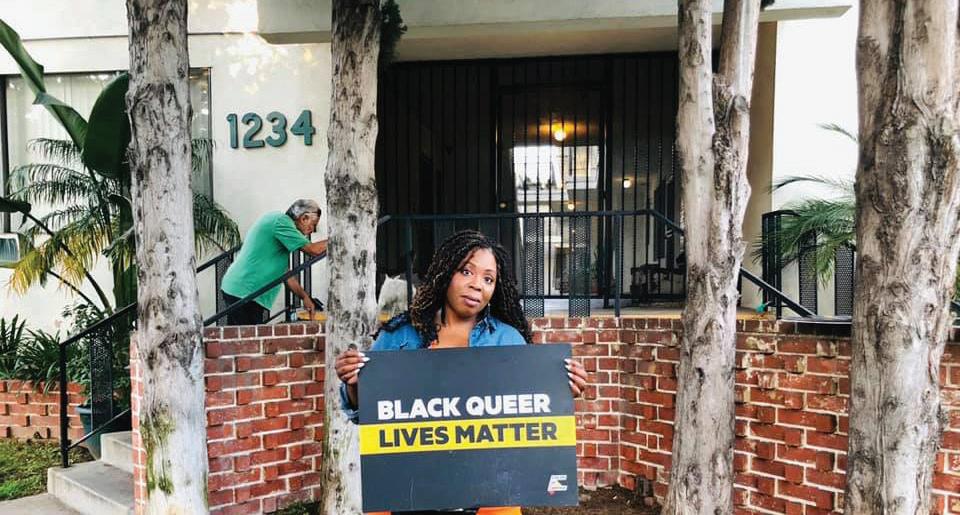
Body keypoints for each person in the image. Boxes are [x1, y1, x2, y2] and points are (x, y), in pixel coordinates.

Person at [336, 230, 589, 515]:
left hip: (489, 498)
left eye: (488, 279)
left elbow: (530, 413)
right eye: (466, 271)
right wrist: (355, 384)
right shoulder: (400, 336)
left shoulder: (507, 340)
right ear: (445, 273)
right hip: (409, 493)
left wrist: (559, 391)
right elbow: (366, 414)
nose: (476, 285)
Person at [220, 199, 328, 325]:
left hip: (247, 292)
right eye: (313, 225)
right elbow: (313, 250)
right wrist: (338, 239)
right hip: (244, 291)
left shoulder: (280, 226)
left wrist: (304, 297)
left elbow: (285, 274)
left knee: (250, 335)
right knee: (247, 336)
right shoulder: (281, 222)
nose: (312, 230)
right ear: (304, 218)